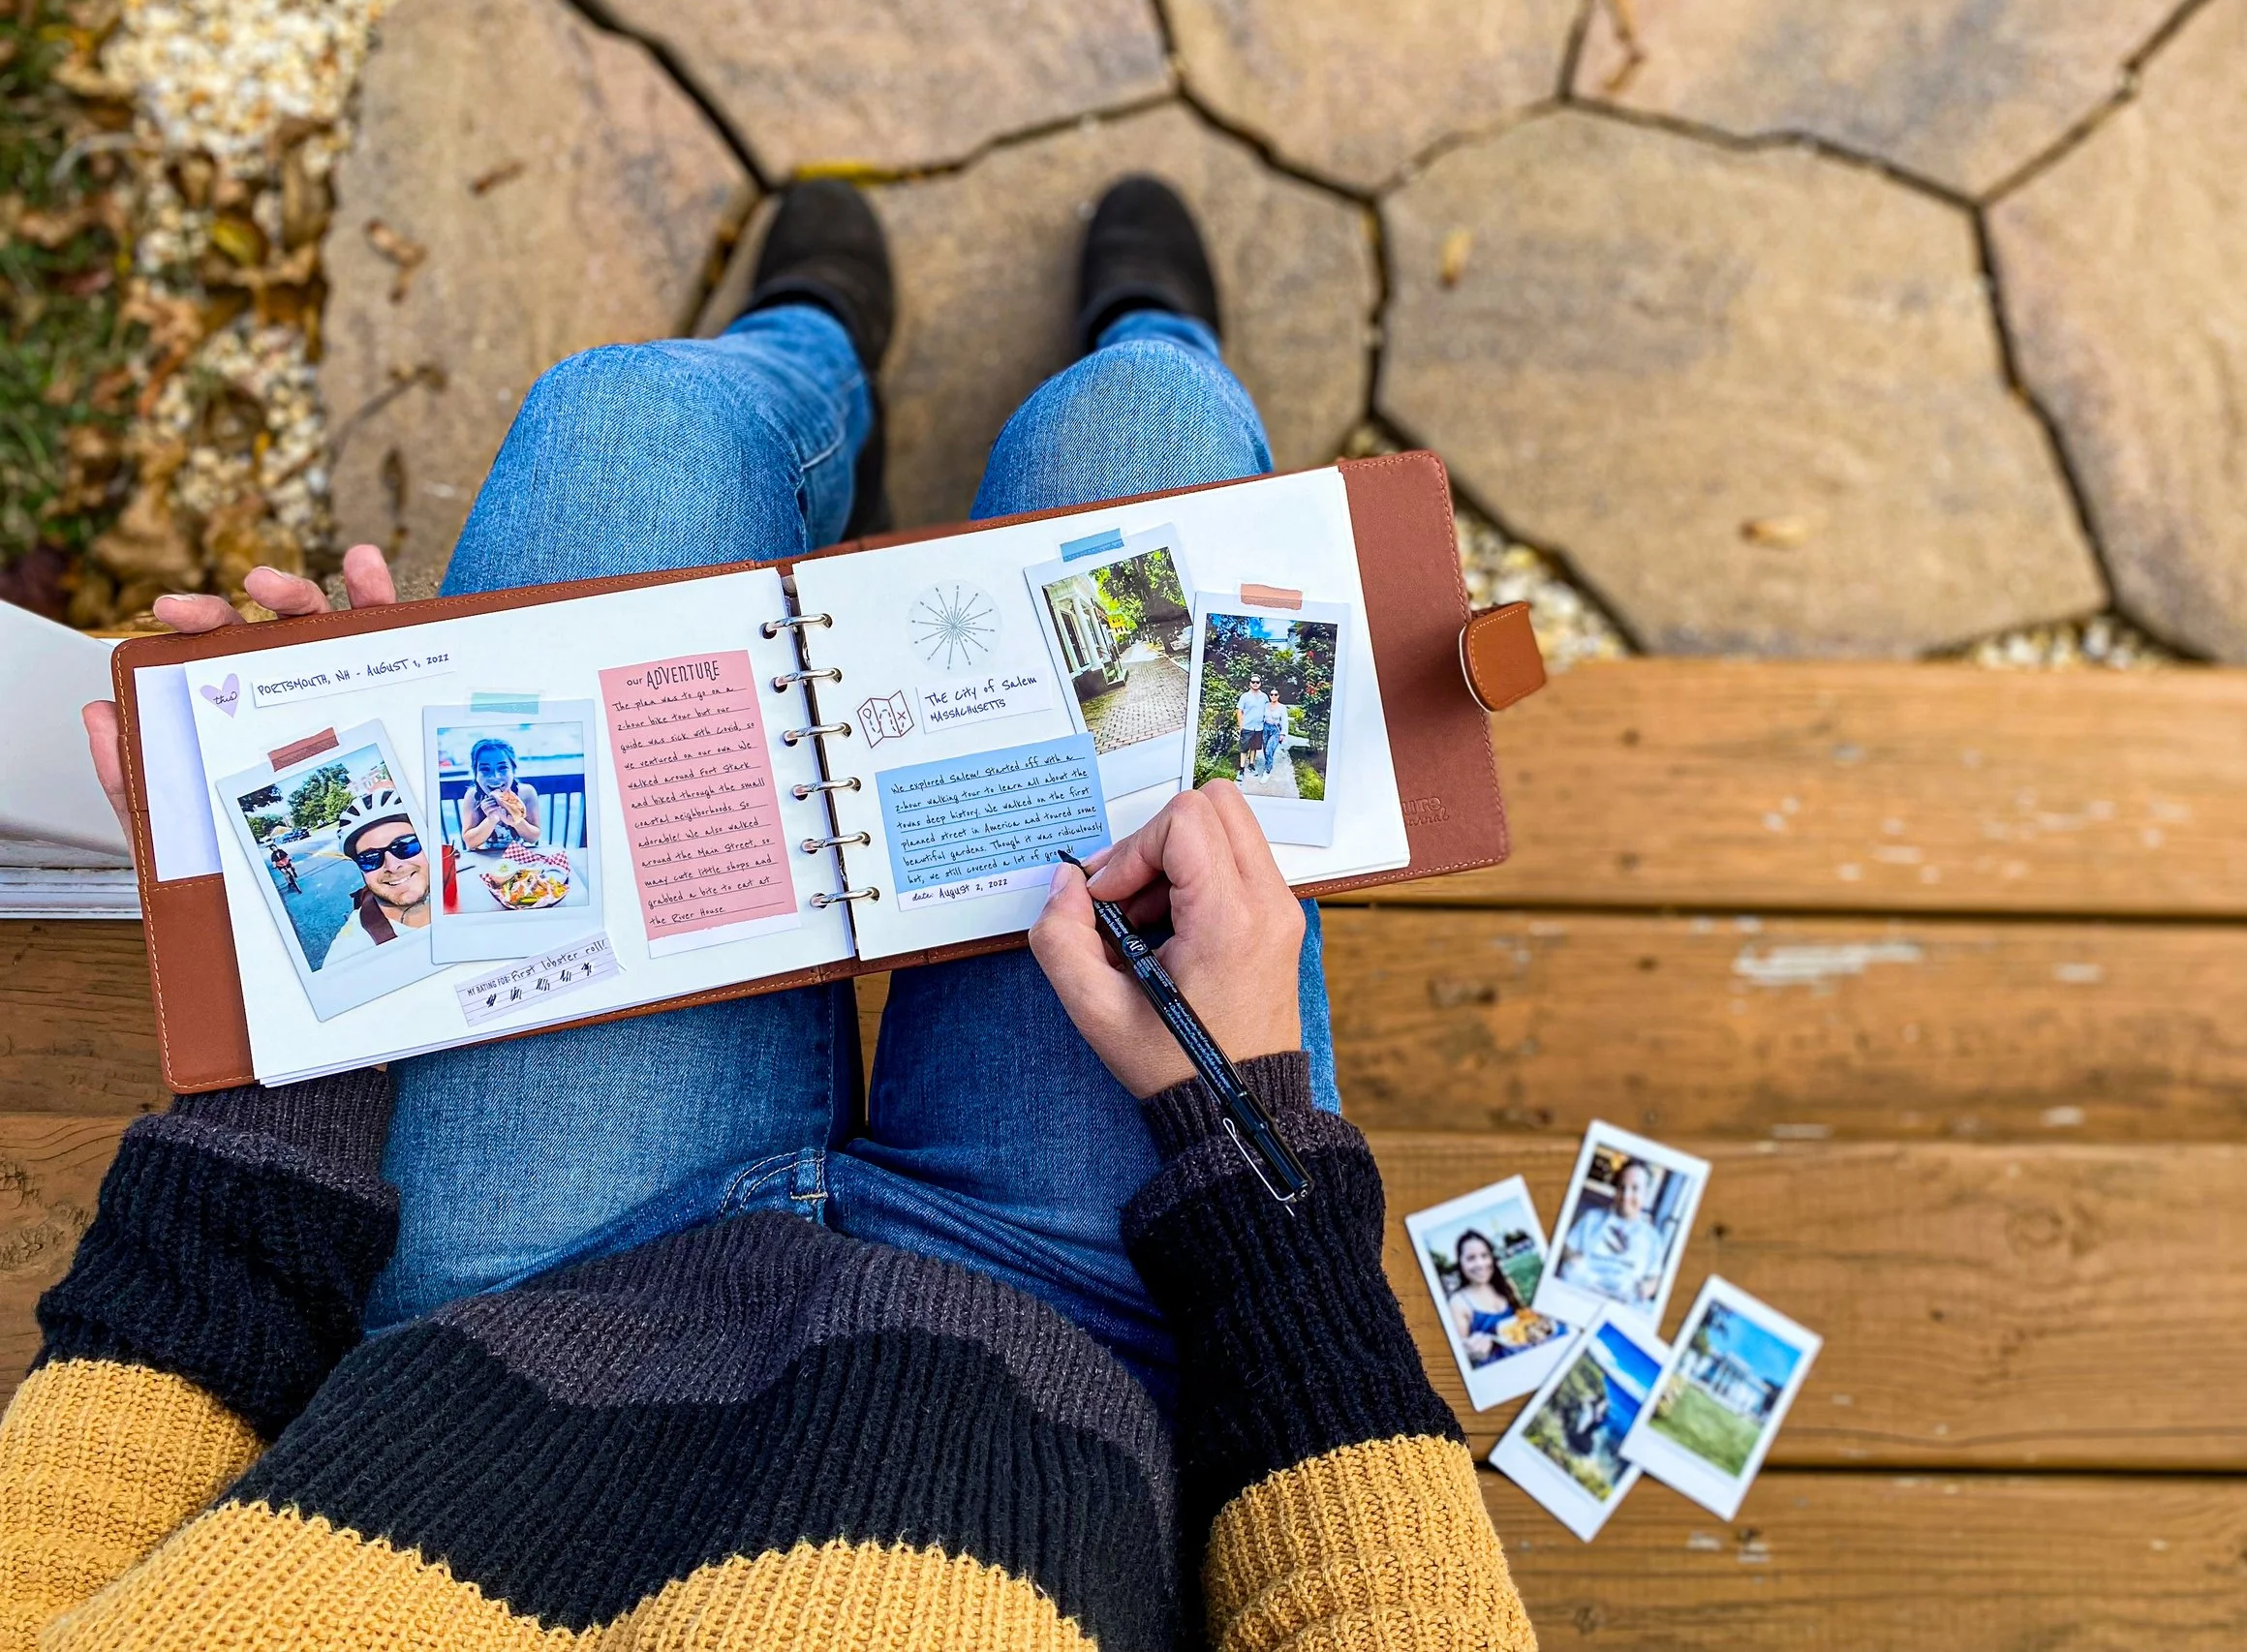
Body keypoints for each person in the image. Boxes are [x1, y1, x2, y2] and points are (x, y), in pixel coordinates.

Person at [10, 176, 1535, 1650]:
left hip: (508, 1306)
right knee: (1146, 431)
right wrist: (1236, 1112)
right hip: (1075, 1351)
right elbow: (1381, 1593)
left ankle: (813, 344)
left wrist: (322, 962)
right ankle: (1147, 329)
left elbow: (106, 1457)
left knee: (626, 415)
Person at [319, 787, 432, 964]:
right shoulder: (350, 954)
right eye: (370, 858)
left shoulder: (470, 885)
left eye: (405, 846)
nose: (393, 866)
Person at [1572, 1157, 1672, 1308]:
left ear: (1645, 1194)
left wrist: (1648, 1287)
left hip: (1622, 1304)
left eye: (1635, 1189)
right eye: (1621, 1188)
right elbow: (1567, 1247)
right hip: (1585, 1294)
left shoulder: (1653, 1238)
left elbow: (1654, 1277)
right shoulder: (1591, 1218)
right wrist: (1572, 1258)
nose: (1626, 1196)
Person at [1448, 1227, 1532, 1366]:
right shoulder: (1458, 1302)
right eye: (1471, 1258)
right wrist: (1471, 1351)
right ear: (1460, 1263)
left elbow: (1523, 1318)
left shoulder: (1505, 1284)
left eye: (1484, 1255)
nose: (1480, 1264)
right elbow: (1460, 1354)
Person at [457, 735, 542, 854]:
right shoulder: (473, 796)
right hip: (485, 860)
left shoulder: (527, 793)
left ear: (513, 770)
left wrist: (516, 820)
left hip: (522, 858)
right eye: (485, 769)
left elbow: (533, 838)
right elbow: (470, 843)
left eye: (503, 768)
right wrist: (491, 819)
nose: (495, 777)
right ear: (475, 773)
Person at [1235, 671, 1268, 777]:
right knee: (1244, 748)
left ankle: (1252, 765)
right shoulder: (1245, 696)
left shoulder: (1264, 697)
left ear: (1260, 684)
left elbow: (1268, 710)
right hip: (1247, 727)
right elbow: (1239, 711)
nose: (1255, 684)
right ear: (1250, 683)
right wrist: (1241, 726)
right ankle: (1241, 769)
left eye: (1257, 682)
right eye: (1253, 682)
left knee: (1254, 747)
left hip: (1259, 727)